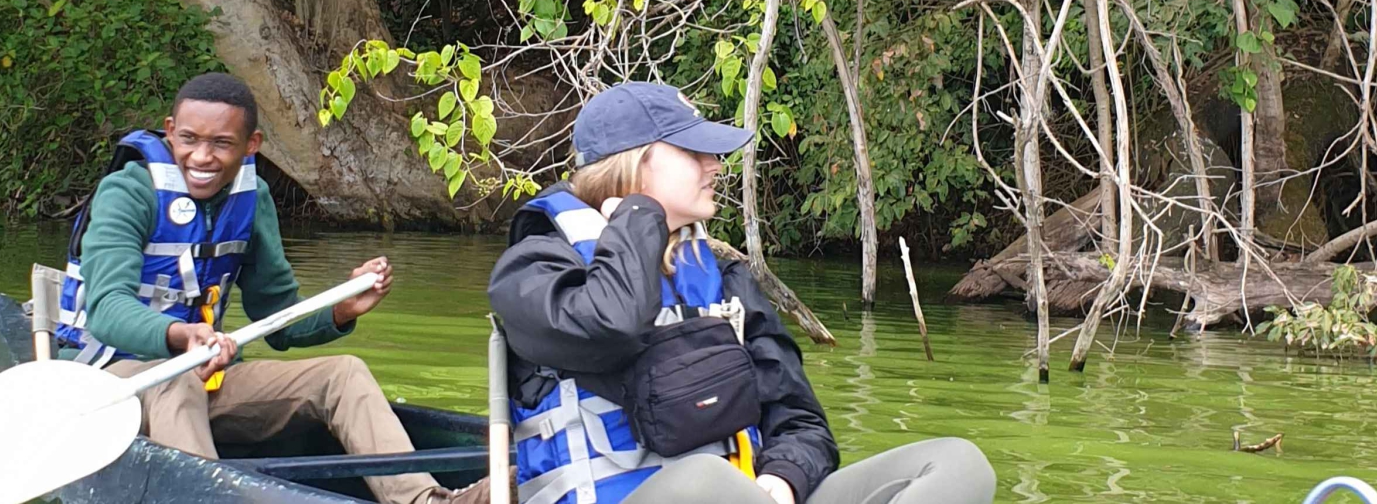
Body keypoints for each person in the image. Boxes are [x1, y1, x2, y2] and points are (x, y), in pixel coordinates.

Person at [488, 82, 996, 504]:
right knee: (703, 485)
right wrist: (640, 216)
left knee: (956, 463)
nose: (715, 164)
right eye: (693, 151)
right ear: (635, 163)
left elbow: (801, 424)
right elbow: (610, 324)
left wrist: (782, 481)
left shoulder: (725, 281)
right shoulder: (534, 269)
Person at [55, 72, 491, 504]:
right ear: (170, 132)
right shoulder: (127, 192)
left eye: (222, 144)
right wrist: (182, 337)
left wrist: (341, 311)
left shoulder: (253, 198)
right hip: (109, 382)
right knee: (178, 381)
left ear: (252, 145)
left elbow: (277, 317)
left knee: (343, 373)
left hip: (205, 377)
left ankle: (424, 500)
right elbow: (108, 309)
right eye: (188, 139)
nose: (201, 157)